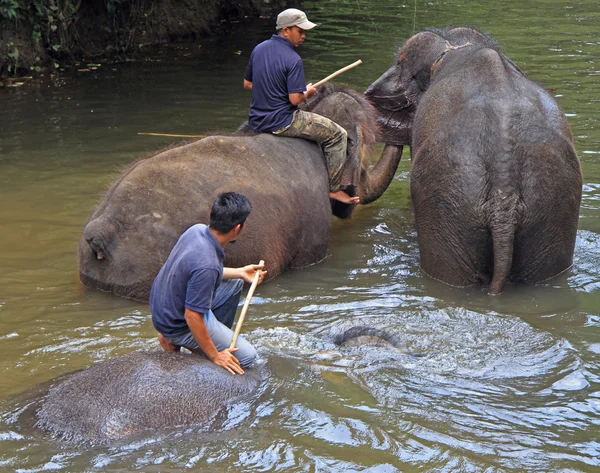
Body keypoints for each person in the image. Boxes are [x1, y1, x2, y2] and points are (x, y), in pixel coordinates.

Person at [243, 8, 360, 205]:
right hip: (283, 121)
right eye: (300, 31)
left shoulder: (259, 49)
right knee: (338, 135)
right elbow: (295, 100)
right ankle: (333, 190)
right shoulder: (293, 59)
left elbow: (248, 84)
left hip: (256, 119)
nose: (304, 36)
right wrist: (307, 92)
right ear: (286, 30)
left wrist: (273, 87)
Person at [150, 192, 266, 375]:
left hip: (164, 307)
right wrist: (215, 356)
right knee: (248, 357)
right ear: (237, 228)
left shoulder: (195, 230)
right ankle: (186, 342)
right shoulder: (208, 264)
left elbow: (194, 273)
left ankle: (202, 340)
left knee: (235, 283)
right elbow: (192, 316)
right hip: (178, 322)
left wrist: (240, 272)